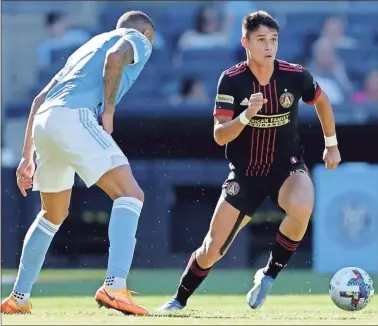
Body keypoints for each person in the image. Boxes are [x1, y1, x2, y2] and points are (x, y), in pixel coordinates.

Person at [157, 11, 341, 312]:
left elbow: (321, 100)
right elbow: (219, 136)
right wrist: (246, 115)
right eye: (261, 40)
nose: (269, 46)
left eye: (273, 40)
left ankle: (269, 275)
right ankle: (179, 299)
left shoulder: (294, 75)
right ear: (245, 42)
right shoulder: (232, 80)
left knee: (303, 206)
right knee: (212, 249)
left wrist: (331, 145)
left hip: (287, 168)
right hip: (246, 175)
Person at [1, 11, 155, 316]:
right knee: (130, 194)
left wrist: (26, 157)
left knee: (52, 214)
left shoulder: (85, 48)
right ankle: (114, 286)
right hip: (75, 117)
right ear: (146, 33)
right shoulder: (139, 38)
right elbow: (116, 57)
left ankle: (18, 298)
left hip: (45, 123)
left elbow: (38, 100)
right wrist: (109, 112)